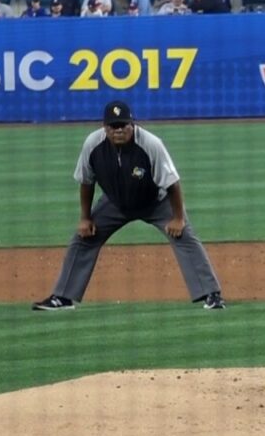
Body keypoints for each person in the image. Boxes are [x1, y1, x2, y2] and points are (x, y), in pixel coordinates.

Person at [32, 101, 225, 312]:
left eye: (124, 125)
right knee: (83, 239)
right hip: (115, 203)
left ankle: (212, 295)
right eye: (114, 126)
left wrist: (178, 218)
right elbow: (86, 182)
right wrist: (85, 218)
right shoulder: (92, 144)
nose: (119, 130)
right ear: (104, 128)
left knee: (185, 237)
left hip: (155, 202)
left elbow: (172, 183)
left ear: (133, 125)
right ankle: (63, 298)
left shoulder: (151, 144)